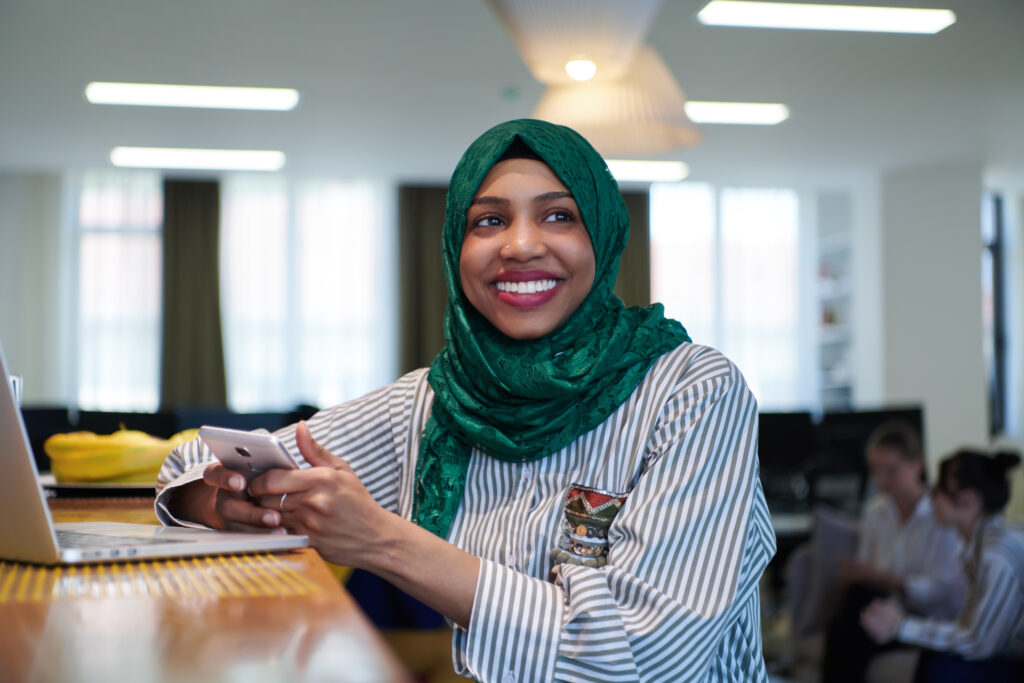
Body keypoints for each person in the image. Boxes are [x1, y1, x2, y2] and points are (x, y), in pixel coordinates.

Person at [155, 119, 776, 682]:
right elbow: (188, 462)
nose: (521, 245)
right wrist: (224, 504)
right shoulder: (433, 400)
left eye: (559, 216)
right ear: (457, 248)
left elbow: (648, 656)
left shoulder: (693, 390)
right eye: (489, 220)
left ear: (604, 238)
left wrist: (383, 543)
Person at [860, 448, 1024, 683]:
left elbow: (979, 642)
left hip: (1014, 662)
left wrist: (901, 626)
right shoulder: (977, 548)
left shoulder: (998, 553)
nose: (931, 496)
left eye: (939, 489)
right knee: (933, 658)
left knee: (944, 671)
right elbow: (967, 627)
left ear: (968, 499)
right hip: (1003, 655)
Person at [821, 421, 966, 683]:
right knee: (854, 609)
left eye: (891, 471)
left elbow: (944, 592)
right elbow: (869, 576)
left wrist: (883, 579)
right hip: (882, 610)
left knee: (852, 618)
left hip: (924, 617)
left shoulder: (942, 515)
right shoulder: (876, 512)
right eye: (875, 470)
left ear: (917, 465)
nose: (880, 480)